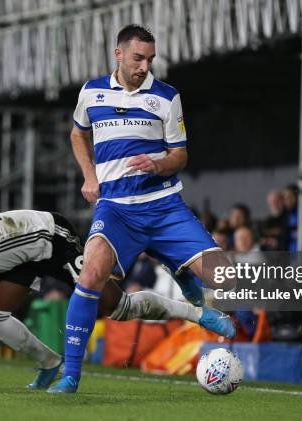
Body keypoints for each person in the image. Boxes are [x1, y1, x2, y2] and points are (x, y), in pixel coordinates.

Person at [48, 24, 237, 394]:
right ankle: (70, 376)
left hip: (164, 207)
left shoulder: (166, 97)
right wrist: (89, 176)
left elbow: (180, 155)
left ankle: (173, 263)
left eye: (150, 59)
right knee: (88, 280)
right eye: (138, 58)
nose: (145, 66)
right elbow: (77, 133)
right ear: (118, 54)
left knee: (227, 280)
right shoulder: (92, 92)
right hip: (117, 210)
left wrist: (158, 164)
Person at [0, 210, 232, 388]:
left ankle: (196, 312)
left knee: (116, 307)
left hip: (50, 236)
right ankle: (49, 364)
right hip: (20, 260)